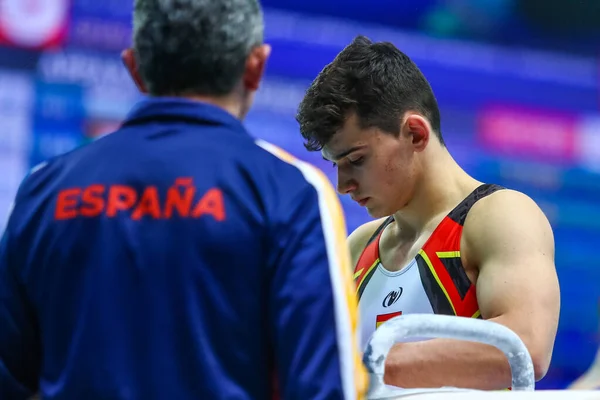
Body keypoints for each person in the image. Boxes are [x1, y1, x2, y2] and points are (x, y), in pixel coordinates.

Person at [0, 1, 368, 399]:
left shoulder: (45, 188)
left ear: (135, 68)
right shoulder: (290, 191)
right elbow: (326, 387)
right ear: (256, 66)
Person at [296, 35, 560, 391]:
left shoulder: (499, 216)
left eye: (356, 160)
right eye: (336, 166)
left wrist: (372, 366)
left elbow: (526, 348)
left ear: (416, 134)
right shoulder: (359, 247)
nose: (344, 185)